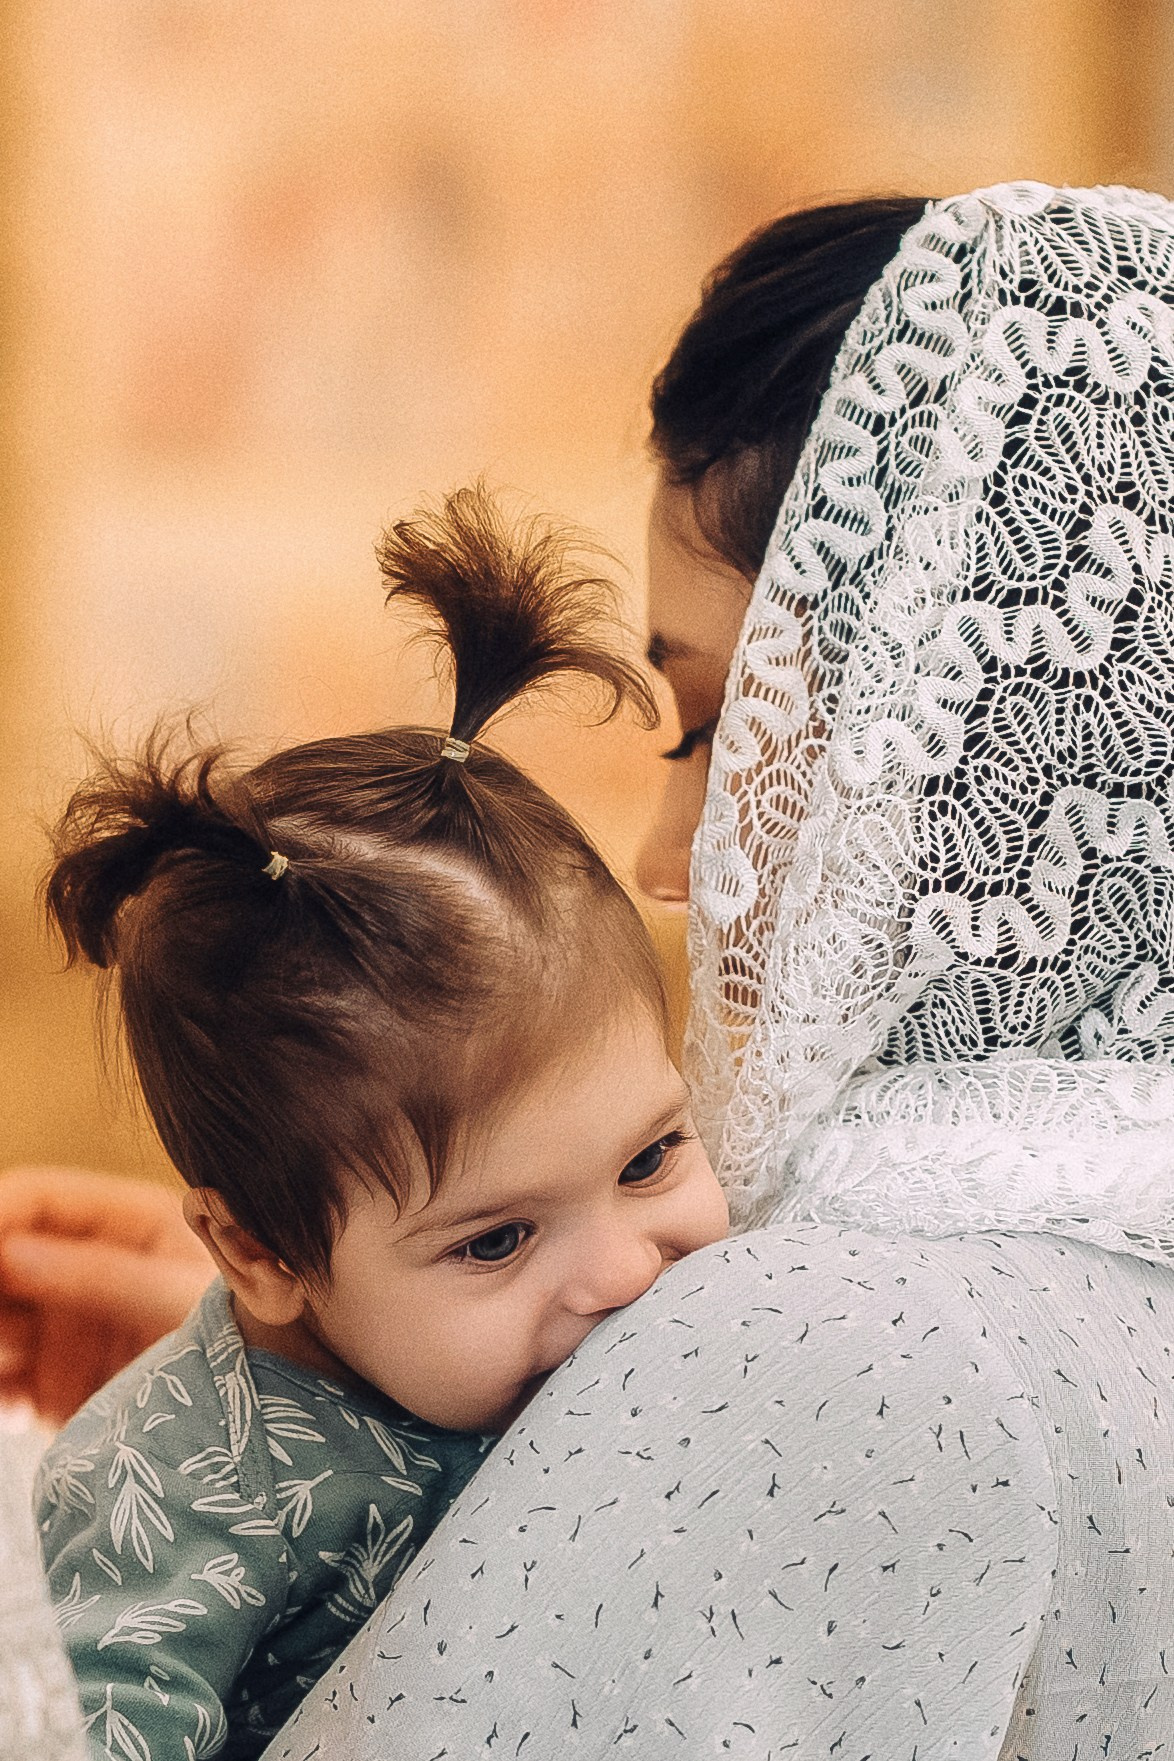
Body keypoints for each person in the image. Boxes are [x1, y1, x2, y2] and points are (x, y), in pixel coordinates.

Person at [7, 180, 1174, 1757]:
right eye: (492, 1235)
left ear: (962, 739)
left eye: (721, 730)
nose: (666, 854)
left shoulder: (816, 1338)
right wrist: (303, 1361)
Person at [31, 487, 729, 1761]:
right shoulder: (173, 1496)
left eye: (648, 1157)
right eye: (495, 1242)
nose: (626, 1271)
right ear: (261, 1255)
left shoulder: (578, 1344)